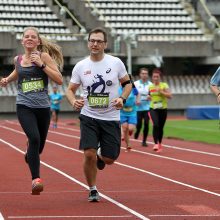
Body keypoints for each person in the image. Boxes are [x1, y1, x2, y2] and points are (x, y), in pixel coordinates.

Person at [66, 27, 132, 202]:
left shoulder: (116, 63)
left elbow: (128, 84)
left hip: (111, 117)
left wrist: (122, 99)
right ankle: (93, 189)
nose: (95, 44)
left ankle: (101, 155)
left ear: (105, 44)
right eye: (92, 40)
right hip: (89, 116)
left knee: (109, 159)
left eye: (99, 41)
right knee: (88, 153)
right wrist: (73, 101)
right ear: (88, 43)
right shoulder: (81, 66)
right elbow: (70, 90)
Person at [0, 27, 63, 195]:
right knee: (34, 138)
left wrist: (41, 65)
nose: (29, 38)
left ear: (38, 41)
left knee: (38, 147)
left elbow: (59, 80)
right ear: (22, 41)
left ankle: (30, 152)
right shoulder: (17, 59)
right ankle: (36, 180)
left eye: (33, 37)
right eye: (26, 36)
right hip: (24, 106)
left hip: (42, 108)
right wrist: (7, 79)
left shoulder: (44, 57)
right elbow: (17, 71)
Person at [149, 69, 172, 153]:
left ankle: (160, 143)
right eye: (154, 77)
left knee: (161, 127)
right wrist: (149, 97)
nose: (155, 78)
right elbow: (149, 95)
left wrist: (161, 92)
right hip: (153, 108)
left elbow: (170, 96)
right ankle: (155, 143)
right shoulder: (150, 86)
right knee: (155, 125)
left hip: (163, 109)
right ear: (152, 77)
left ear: (160, 77)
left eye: (157, 77)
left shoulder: (164, 85)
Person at [119, 75, 138, 151]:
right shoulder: (119, 89)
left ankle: (128, 134)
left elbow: (138, 94)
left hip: (132, 112)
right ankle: (128, 144)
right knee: (124, 128)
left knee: (130, 129)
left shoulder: (133, 89)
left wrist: (138, 100)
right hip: (122, 112)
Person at [134, 68, 152, 146]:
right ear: (140, 74)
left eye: (146, 73)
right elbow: (132, 94)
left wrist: (150, 97)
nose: (144, 75)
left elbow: (153, 95)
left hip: (147, 107)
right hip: (138, 108)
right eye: (143, 73)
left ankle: (144, 141)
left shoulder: (151, 85)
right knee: (139, 124)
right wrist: (136, 100)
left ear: (147, 75)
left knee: (147, 124)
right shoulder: (136, 84)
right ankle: (137, 131)